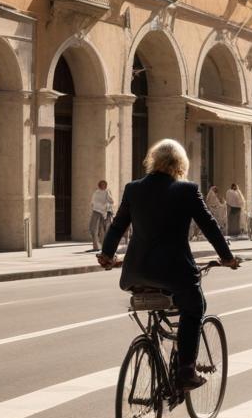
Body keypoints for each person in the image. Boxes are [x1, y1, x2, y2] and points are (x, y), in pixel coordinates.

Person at [99, 139, 238, 392]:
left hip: (136, 273)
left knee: (164, 306)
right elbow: (208, 225)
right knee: (195, 306)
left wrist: (107, 255)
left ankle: (152, 347)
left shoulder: (133, 189)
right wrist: (227, 257)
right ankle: (186, 370)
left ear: (153, 161)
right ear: (180, 164)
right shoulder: (187, 190)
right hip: (175, 273)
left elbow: (118, 225)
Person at [88, 180, 114, 252]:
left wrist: (106, 205)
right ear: (99, 185)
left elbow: (111, 201)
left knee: (104, 230)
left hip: (105, 212)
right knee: (93, 228)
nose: (103, 186)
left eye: (104, 184)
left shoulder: (107, 192)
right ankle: (96, 246)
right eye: (101, 184)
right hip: (96, 211)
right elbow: (93, 202)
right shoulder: (96, 192)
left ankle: (104, 246)